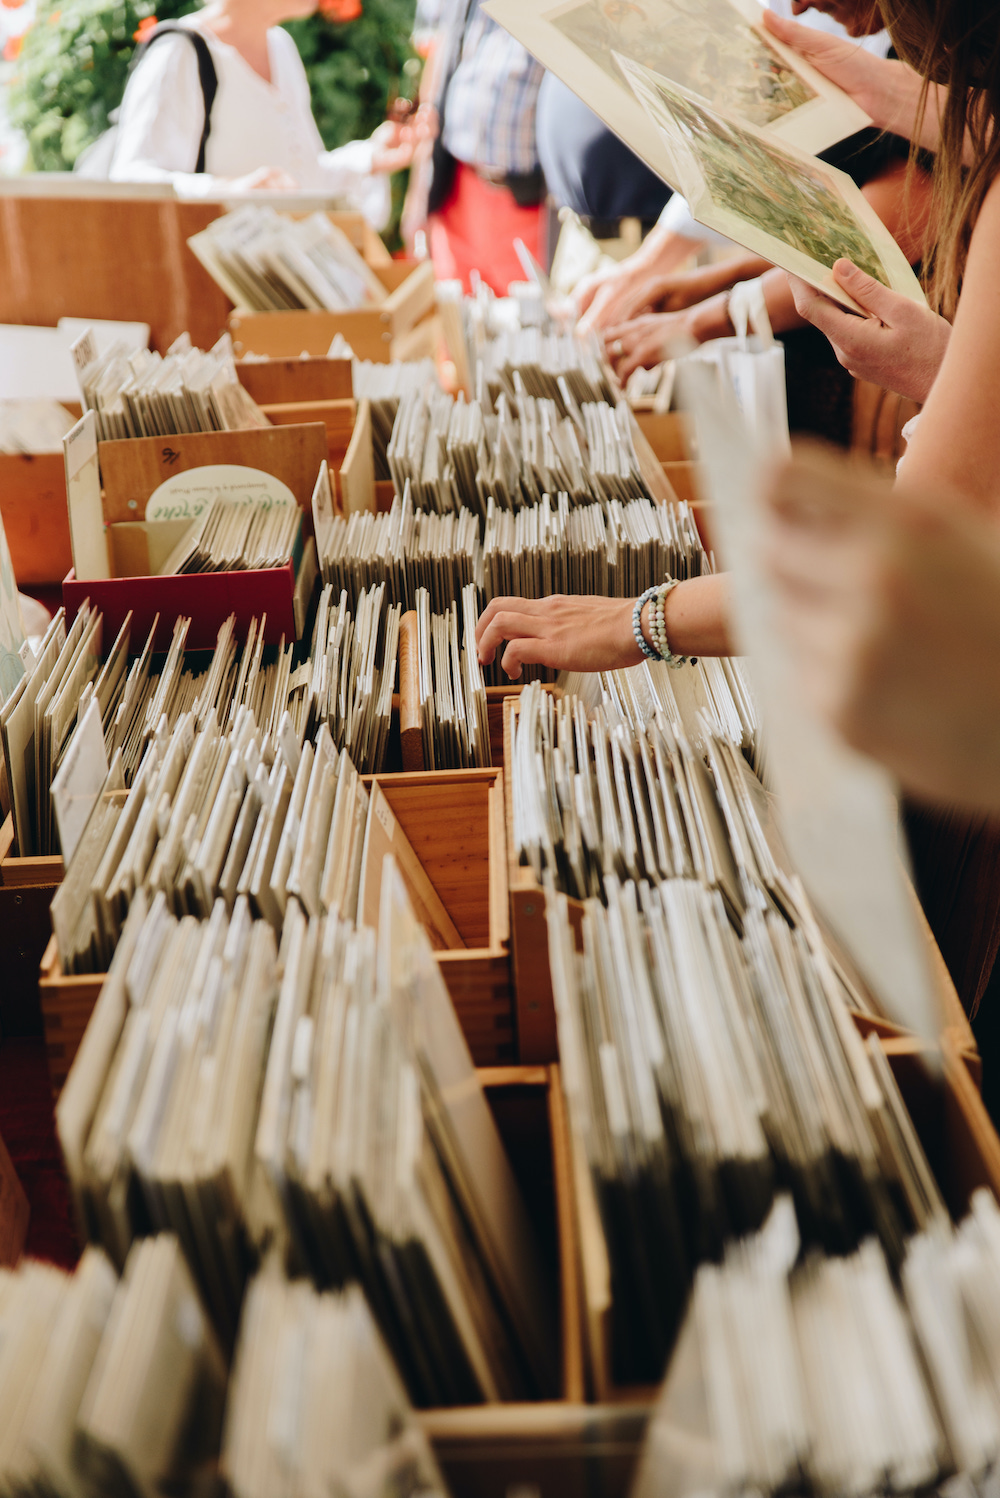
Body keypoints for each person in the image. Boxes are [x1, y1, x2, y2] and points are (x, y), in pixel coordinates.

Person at [107, 0, 422, 227]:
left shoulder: (280, 47)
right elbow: (130, 182)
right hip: (213, 301)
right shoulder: (180, 52)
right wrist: (226, 192)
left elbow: (300, 182)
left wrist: (369, 158)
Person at [404, 0, 546, 294]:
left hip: (531, 203)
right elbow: (439, 61)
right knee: (456, 329)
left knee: (529, 329)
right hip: (456, 188)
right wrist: (419, 192)